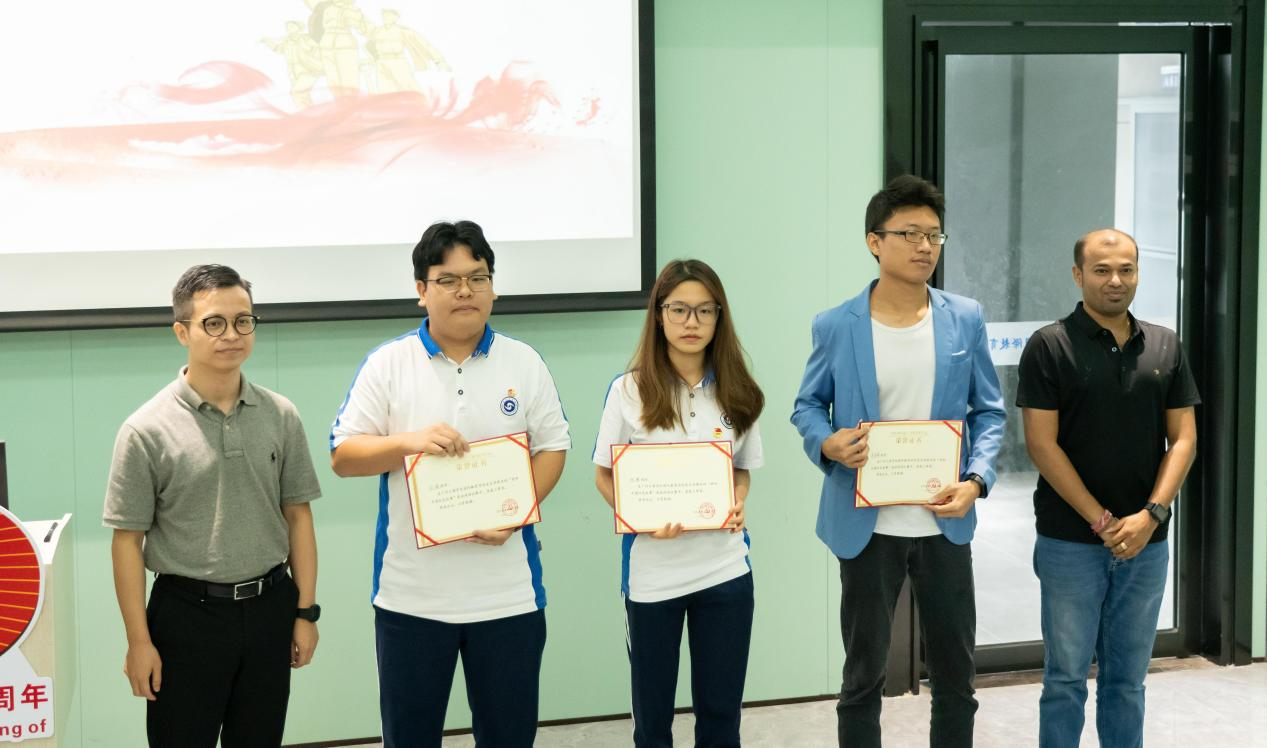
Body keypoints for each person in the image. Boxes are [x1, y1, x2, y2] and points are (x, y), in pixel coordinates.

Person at [329, 220, 570, 748]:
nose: (466, 291)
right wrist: (407, 442)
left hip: (508, 597)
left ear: (493, 287)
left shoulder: (524, 362)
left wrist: (516, 512)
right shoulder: (388, 364)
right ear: (422, 289)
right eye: (449, 280)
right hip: (411, 600)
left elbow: (553, 448)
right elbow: (343, 456)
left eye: (478, 278)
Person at [791, 175, 1006, 747]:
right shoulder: (837, 324)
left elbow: (989, 411)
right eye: (910, 233)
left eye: (934, 235)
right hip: (867, 523)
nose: (924, 246)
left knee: (956, 675)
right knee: (863, 675)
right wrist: (828, 443)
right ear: (874, 241)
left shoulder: (965, 317)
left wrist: (977, 480)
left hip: (944, 520)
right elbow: (807, 406)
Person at [104, 264, 322, 747]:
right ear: (182, 332)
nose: (232, 334)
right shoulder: (145, 429)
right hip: (186, 617)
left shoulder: (281, 415)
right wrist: (138, 642)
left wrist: (305, 612)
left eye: (243, 321)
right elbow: (126, 542)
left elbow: (298, 516)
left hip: (270, 608)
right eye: (214, 323)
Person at [1016, 228, 1199, 747]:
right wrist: (1101, 520)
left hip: (1146, 544)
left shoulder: (1164, 343)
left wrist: (1152, 515)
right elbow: (1041, 445)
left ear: (1138, 274)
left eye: (1126, 270)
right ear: (1078, 275)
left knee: (1127, 683)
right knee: (1065, 680)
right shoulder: (1050, 345)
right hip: (1069, 542)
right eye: (1101, 270)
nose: (1115, 280)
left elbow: (1184, 439)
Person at [593, 259, 764, 747]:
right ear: (659, 314)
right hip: (653, 576)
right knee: (652, 721)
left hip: (724, 571)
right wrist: (638, 518)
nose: (692, 322)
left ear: (719, 317)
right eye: (680, 309)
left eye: (705, 310)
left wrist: (738, 500)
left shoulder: (739, 390)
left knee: (721, 715)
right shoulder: (628, 390)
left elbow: (742, 469)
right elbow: (603, 475)